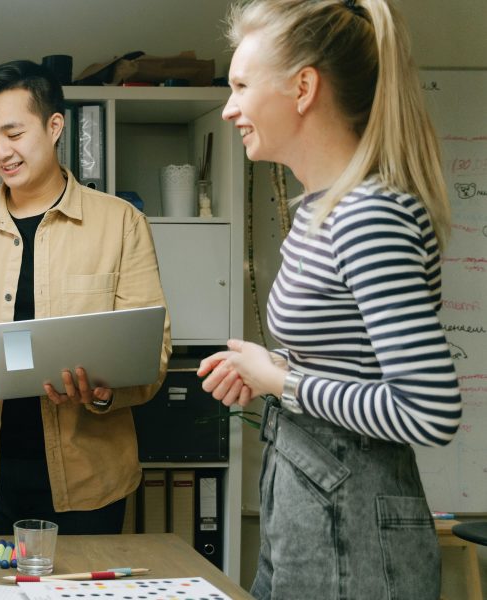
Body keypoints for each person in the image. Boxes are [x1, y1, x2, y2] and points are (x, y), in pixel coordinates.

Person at [196, 1, 461, 597]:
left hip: (354, 529)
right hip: (309, 508)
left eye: (241, 85)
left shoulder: (368, 215)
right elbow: (356, 362)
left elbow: (430, 410)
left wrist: (280, 382)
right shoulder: (321, 209)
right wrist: (272, 371)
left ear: (304, 87)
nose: (229, 107)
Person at [0, 60, 170, 536]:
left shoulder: (120, 223)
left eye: (13, 133)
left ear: (55, 127)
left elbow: (152, 354)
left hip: (90, 479)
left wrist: (102, 391)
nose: (0, 152)